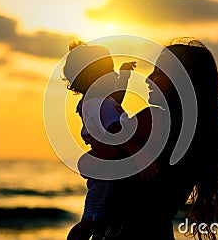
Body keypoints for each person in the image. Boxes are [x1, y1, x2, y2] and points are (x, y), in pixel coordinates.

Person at [92, 39, 218, 240]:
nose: (148, 78)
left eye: (159, 72)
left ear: (182, 82)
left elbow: (100, 149)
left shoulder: (151, 120)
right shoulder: (198, 137)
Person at [63, 41, 159, 240]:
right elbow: (116, 133)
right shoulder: (99, 104)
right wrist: (140, 156)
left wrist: (124, 77)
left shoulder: (97, 101)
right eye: (110, 72)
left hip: (106, 165)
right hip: (105, 171)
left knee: (95, 216)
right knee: (91, 219)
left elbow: (117, 100)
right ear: (93, 79)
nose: (114, 76)